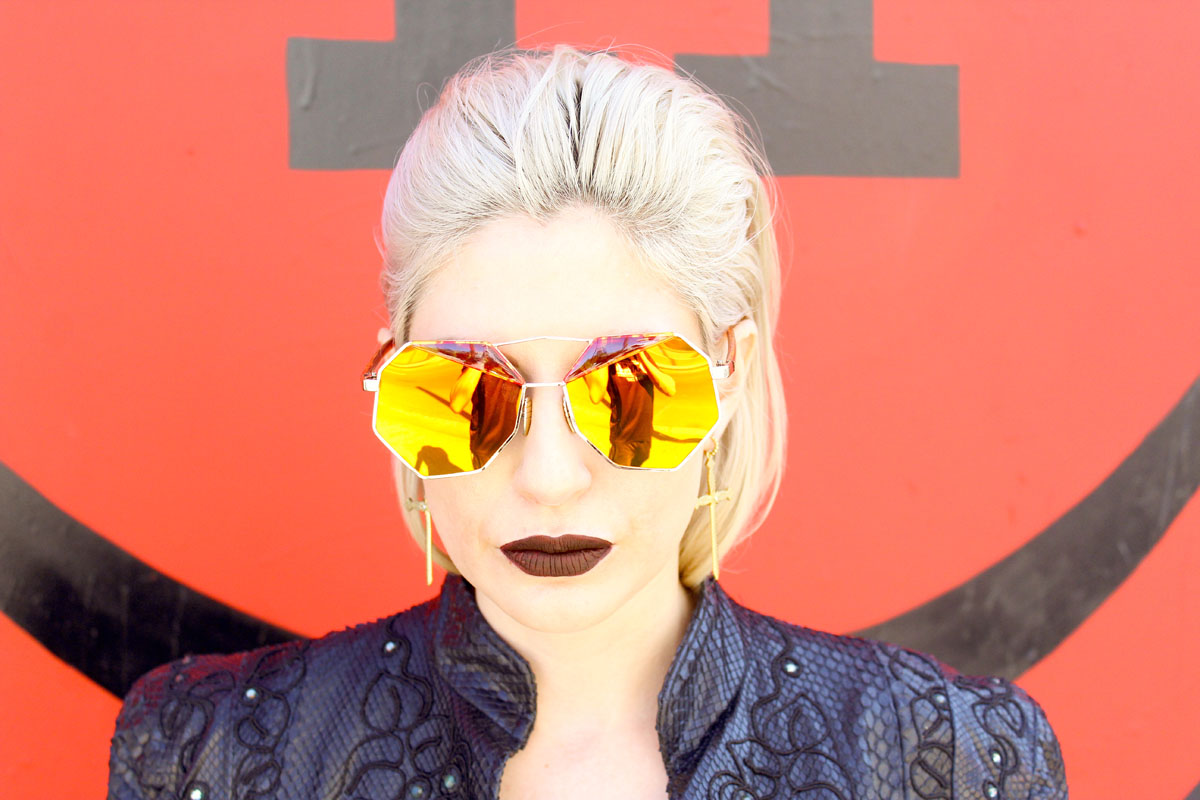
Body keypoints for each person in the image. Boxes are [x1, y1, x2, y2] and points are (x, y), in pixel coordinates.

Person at [107, 45, 1068, 799]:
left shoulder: (951, 761)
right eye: (467, 394)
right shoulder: (211, 754)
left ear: (729, 375)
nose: (550, 477)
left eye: (628, 391)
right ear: (390, 380)